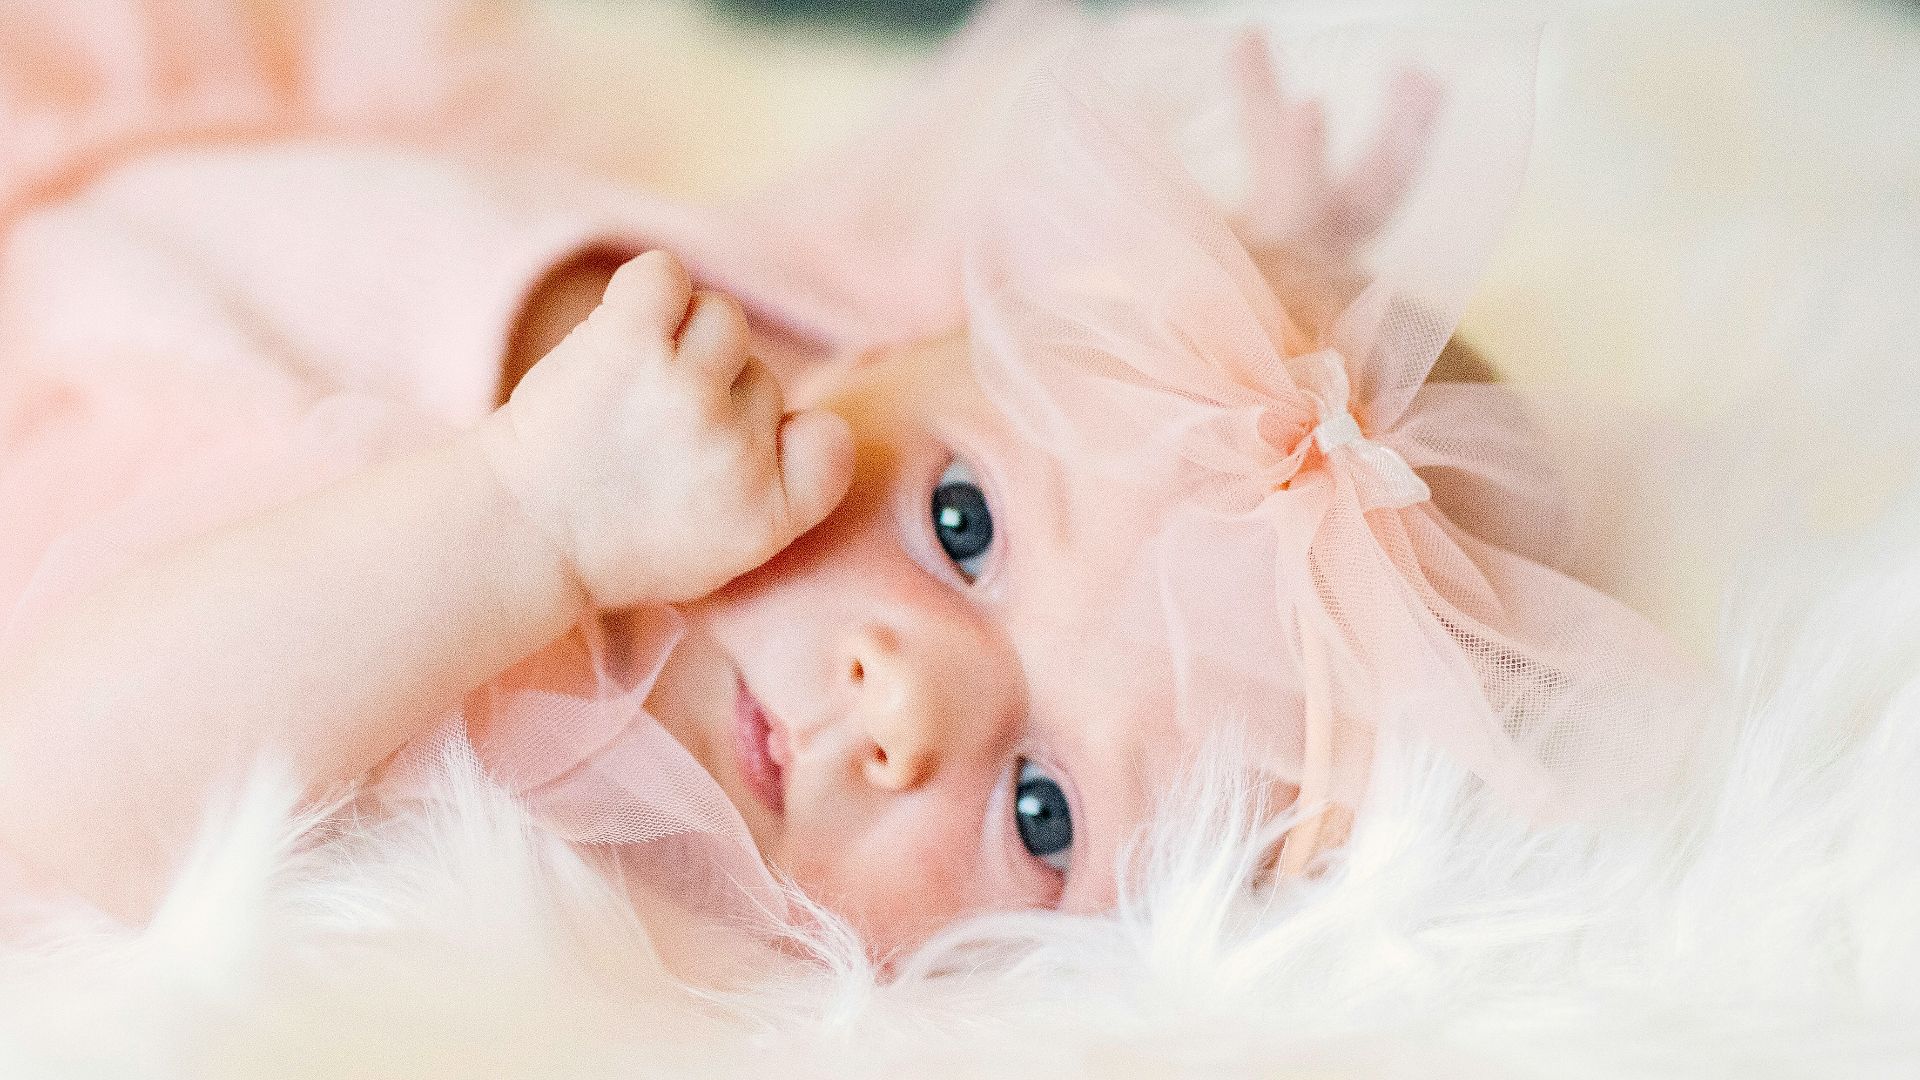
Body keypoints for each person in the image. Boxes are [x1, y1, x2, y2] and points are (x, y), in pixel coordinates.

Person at [0, 0, 1694, 961]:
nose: (904, 714)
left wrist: (528, 528)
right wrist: (1272, 286)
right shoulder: (866, 355)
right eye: (964, 527)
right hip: (123, 202)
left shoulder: (588, 851)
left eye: (1046, 813)